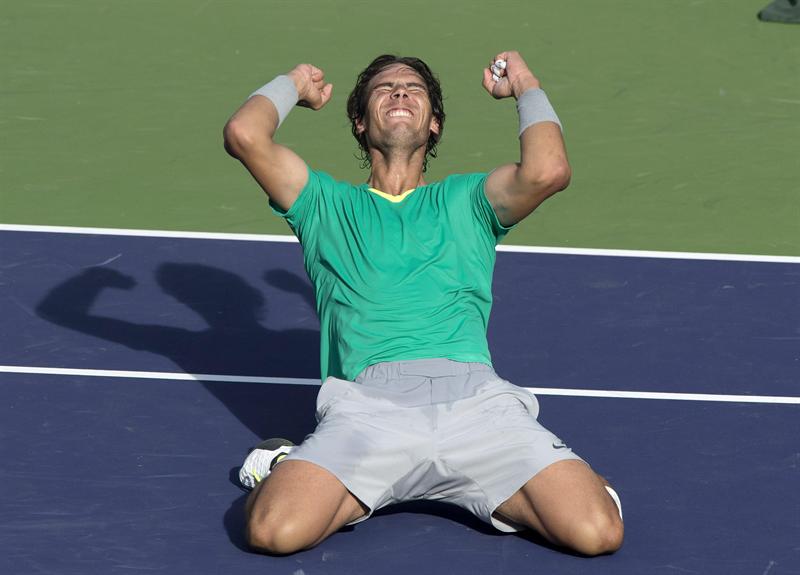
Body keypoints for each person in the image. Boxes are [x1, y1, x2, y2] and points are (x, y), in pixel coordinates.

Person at [223, 51, 624, 557]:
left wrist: (524, 83)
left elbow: (548, 170)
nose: (399, 93)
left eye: (414, 89)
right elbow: (244, 135)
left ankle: (555, 483)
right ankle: (290, 462)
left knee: (598, 533)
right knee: (272, 532)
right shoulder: (322, 205)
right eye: (384, 89)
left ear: (433, 124)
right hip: (368, 412)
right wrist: (295, 81)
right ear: (360, 122)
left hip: (478, 406)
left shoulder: (470, 201)